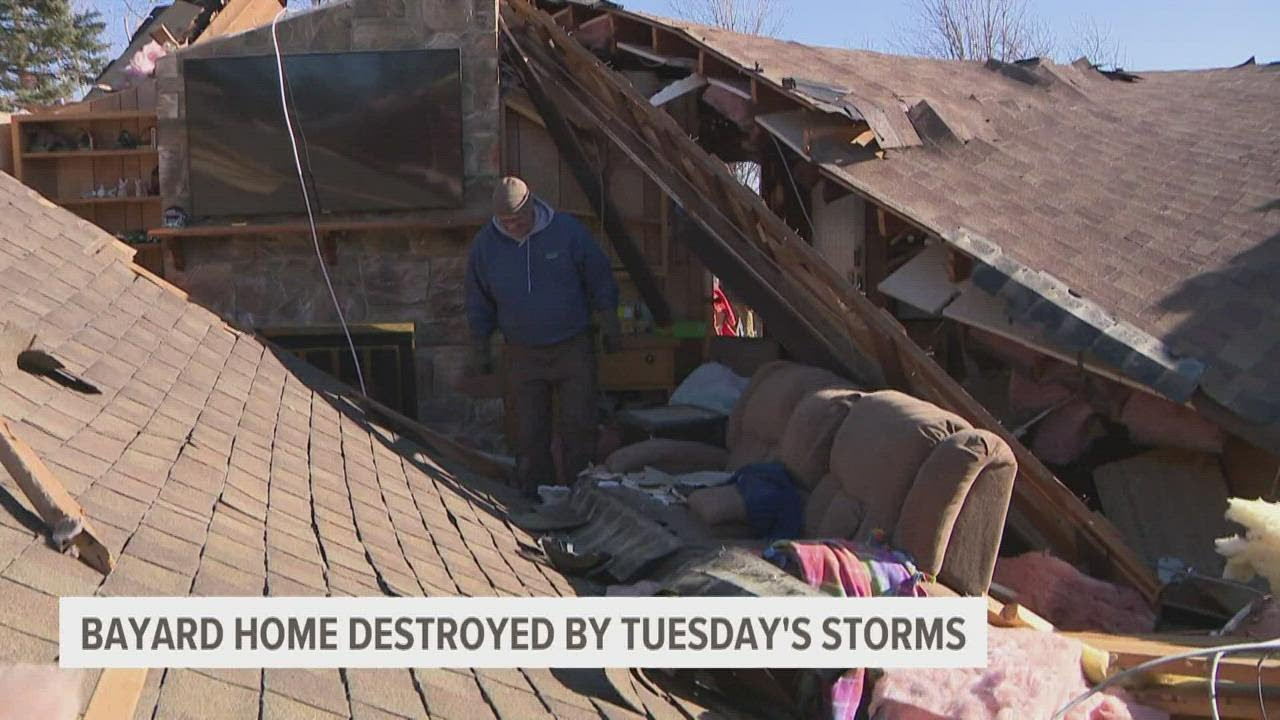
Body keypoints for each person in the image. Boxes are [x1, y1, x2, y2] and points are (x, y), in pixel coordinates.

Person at [465, 176, 620, 494]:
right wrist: (480, 344)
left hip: (572, 346)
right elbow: (477, 297)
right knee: (529, 431)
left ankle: (582, 492)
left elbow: (599, 276)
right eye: (505, 222)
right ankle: (537, 496)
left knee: (579, 425)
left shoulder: (567, 232)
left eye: (518, 219)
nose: (513, 227)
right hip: (522, 352)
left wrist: (609, 321)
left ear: (532, 205)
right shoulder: (485, 245)